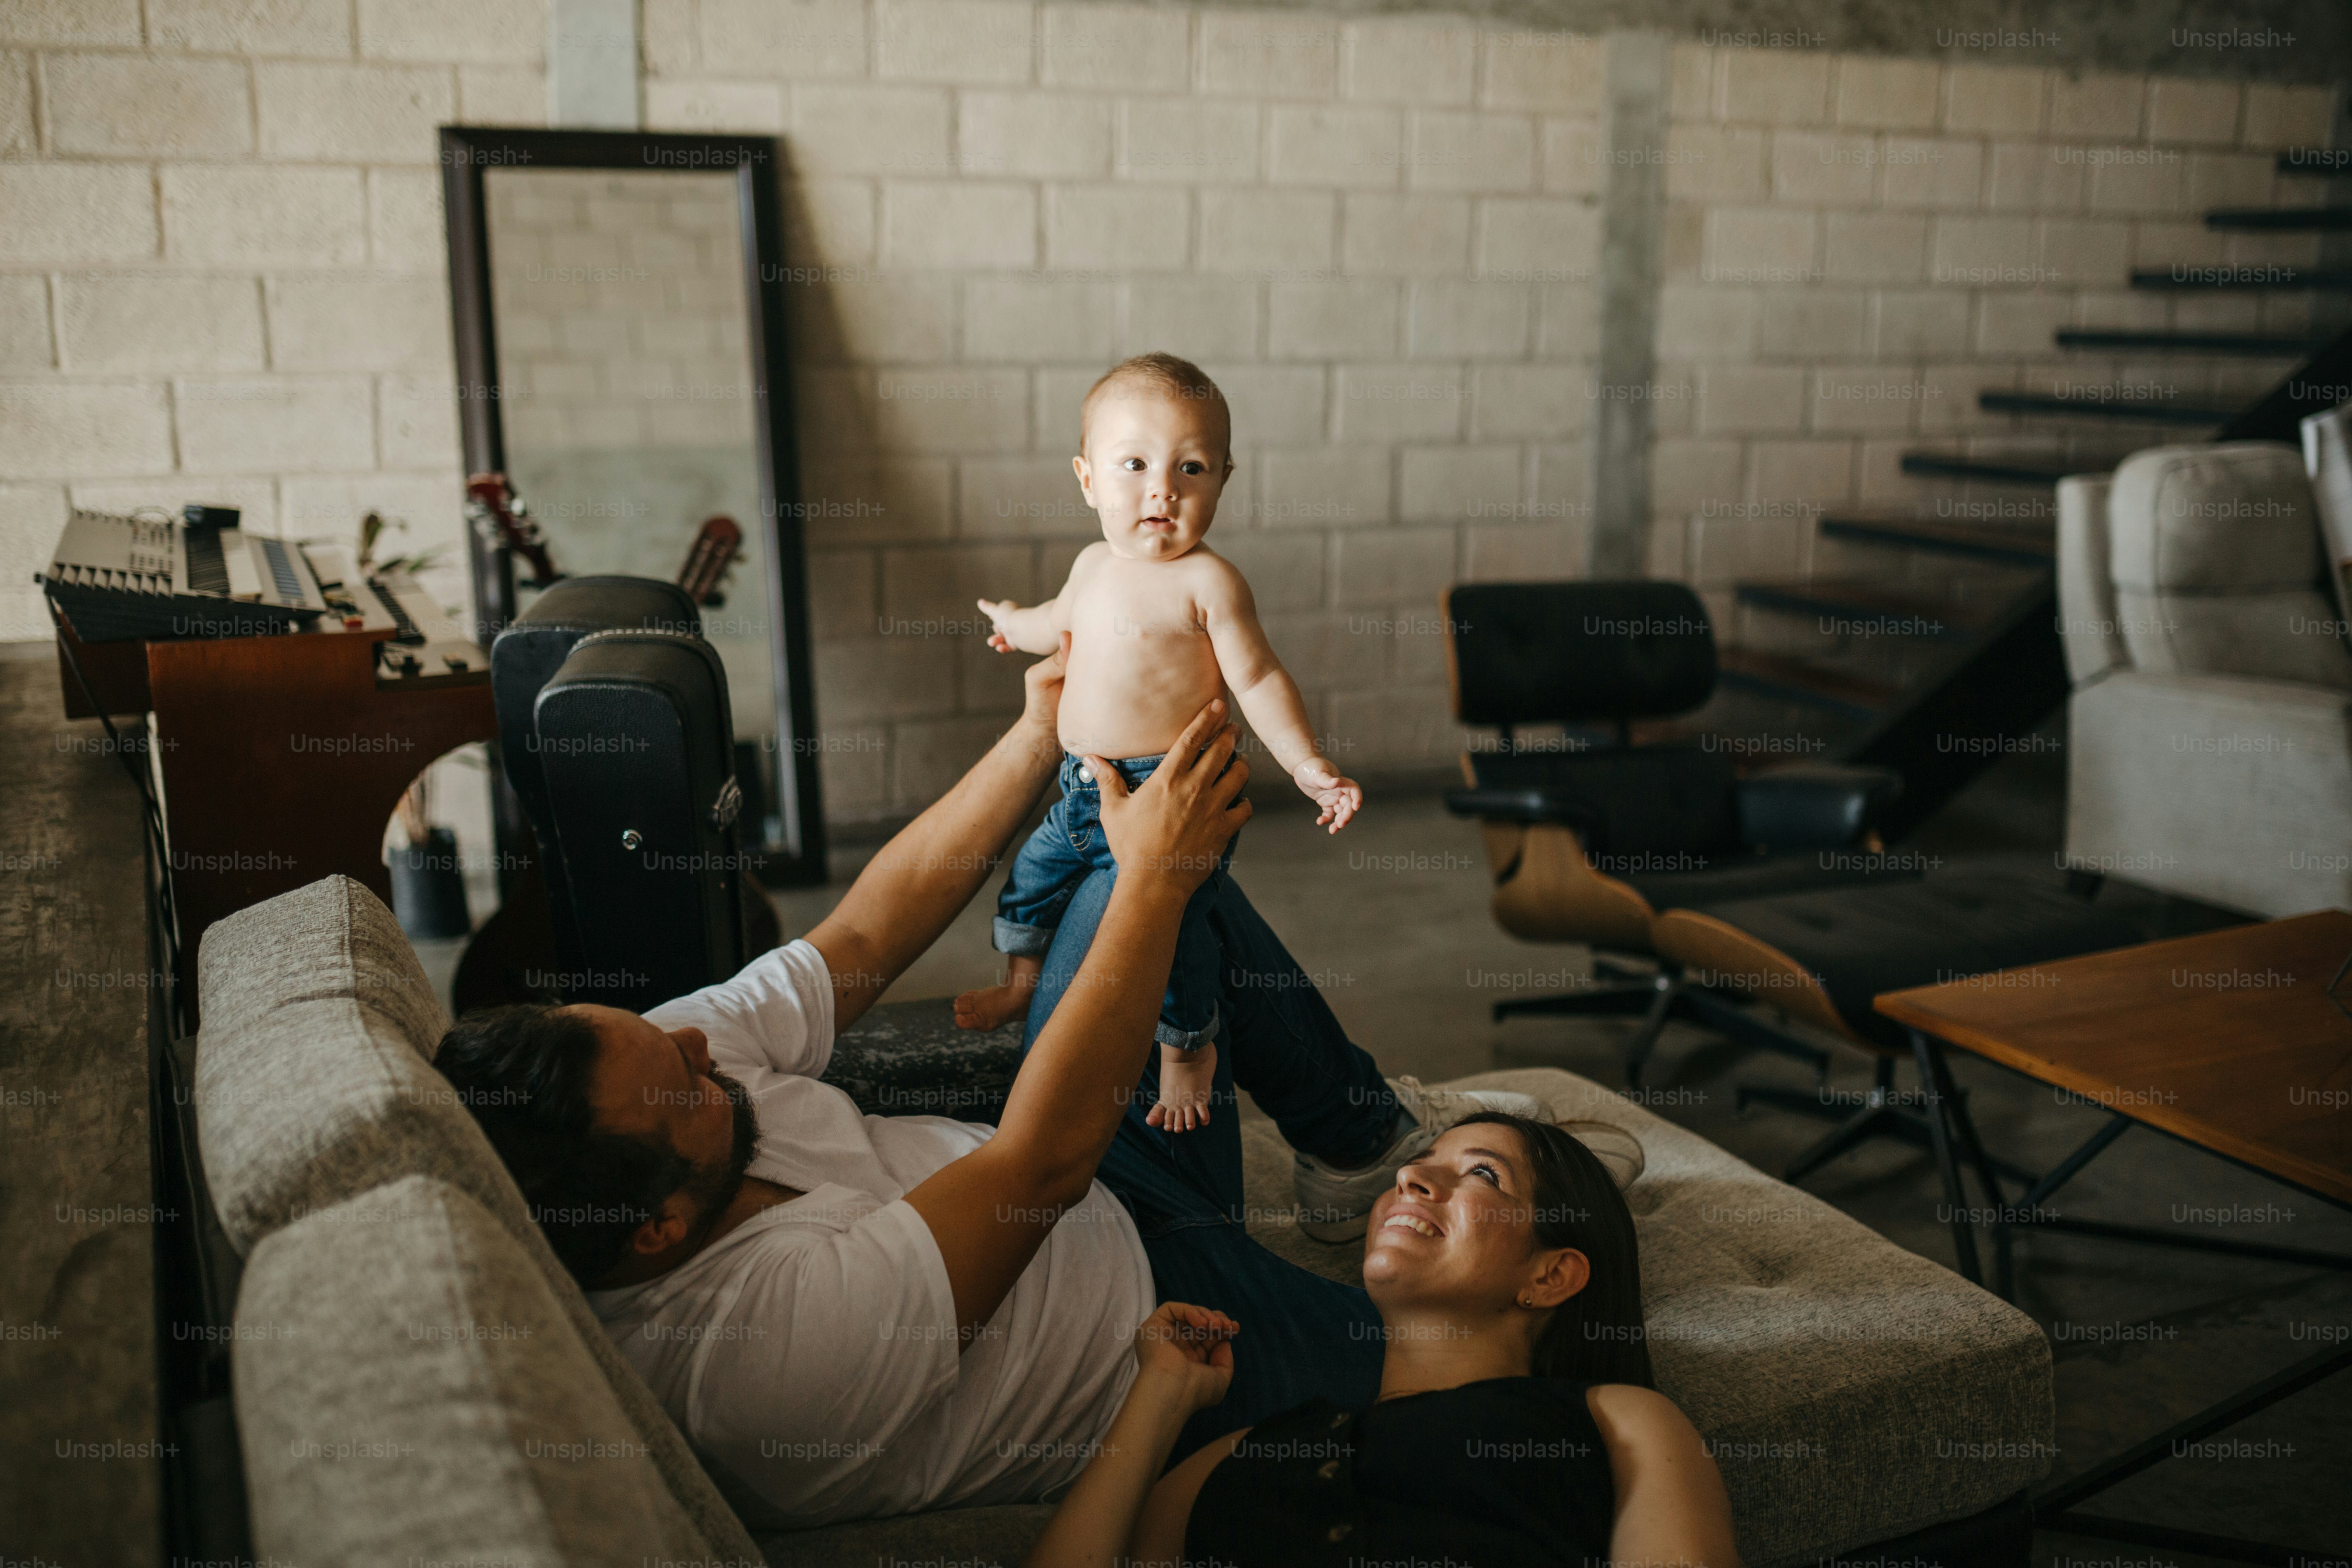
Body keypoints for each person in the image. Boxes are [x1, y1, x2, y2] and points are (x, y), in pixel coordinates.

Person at [433, 644, 1536, 1530]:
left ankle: (1354, 1138)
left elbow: (862, 931)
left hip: (1111, 1163)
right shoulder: (748, 1367)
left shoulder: (647, 1066)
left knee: (1127, 840)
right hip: (1152, 1336)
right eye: (686, 1083)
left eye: (666, 1037)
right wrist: (1160, 871)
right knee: (1476, 1378)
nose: (696, 1047)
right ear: (656, 1224)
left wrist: (1036, 732)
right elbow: (1035, 1163)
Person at [1023, 1113, 1741, 1568]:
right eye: (1420, 1159)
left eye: (1481, 1174)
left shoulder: (1620, 1421)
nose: (1410, 1175)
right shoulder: (1230, 1455)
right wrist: (1160, 1393)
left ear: (1552, 1274)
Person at [956, 351, 1364, 1134]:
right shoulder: (1090, 565)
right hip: (1082, 785)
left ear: (1223, 480)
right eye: (1134, 464)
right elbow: (1054, 619)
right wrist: (1012, 623)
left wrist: (1308, 763)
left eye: (1191, 468)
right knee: (1031, 877)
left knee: (1174, 936)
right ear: (1086, 480)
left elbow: (1260, 678)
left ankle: (1189, 1048)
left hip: (1169, 795)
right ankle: (1021, 974)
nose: (1162, 489)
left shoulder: (1209, 583)